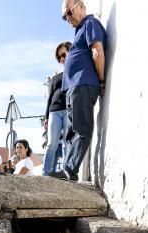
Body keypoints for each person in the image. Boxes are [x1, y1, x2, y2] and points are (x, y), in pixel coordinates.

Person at [55, 0, 107, 181]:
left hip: (83, 84)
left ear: (81, 6)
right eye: (64, 17)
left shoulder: (90, 23)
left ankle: (70, 170)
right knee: (71, 132)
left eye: (68, 13)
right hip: (73, 88)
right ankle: (67, 169)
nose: (67, 18)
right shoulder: (79, 30)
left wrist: (101, 80)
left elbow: (98, 53)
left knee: (81, 128)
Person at [42, 42, 72, 176]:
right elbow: (49, 98)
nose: (62, 59)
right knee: (51, 144)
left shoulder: (75, 70)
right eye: (59, 57)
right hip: (54, 111)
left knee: (67, 142)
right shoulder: (55, 76)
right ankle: (46, 172)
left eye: (64, 55)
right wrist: (46, 117)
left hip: (68, 110)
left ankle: (65, 172)